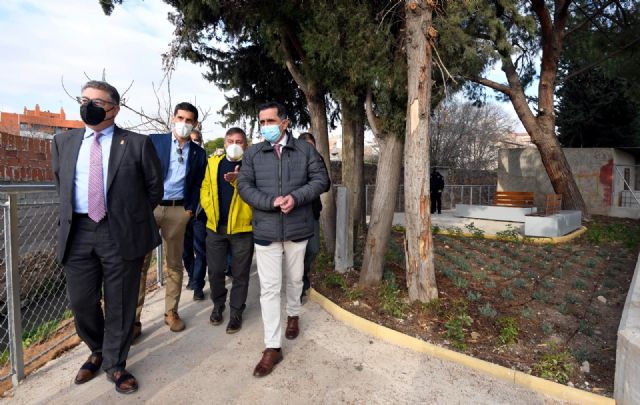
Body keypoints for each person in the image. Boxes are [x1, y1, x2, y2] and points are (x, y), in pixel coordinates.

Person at [52, 80, 163, 394]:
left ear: (114, 108)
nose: (88, 105)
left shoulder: (137, 143)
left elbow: (154, 188)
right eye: (84, 99)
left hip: (120, 232)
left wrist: (129, 216)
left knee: (121, 303)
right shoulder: (63, 142)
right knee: (81, 300)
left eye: (97, 101)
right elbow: (61, 182)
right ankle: (97, 349)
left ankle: (115, 364)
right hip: (79, 232)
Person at [237, 102, 329, 377]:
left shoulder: (305, 150)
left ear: (285, 122)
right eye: (261, 121)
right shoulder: (253, 153)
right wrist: (270, 202)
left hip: (298, 228)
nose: (265, 126)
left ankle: (293, 314)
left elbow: (321, 179)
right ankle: (272, 347)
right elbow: (244, 185)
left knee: (295, 280)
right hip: (266, 231)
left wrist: (296, 198)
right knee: (269, 289)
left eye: (270, 121)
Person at [134, 102, 207, 337]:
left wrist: (189, 211)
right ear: (173, 118)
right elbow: (137, 171)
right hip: (150, 208)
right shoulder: (154, 141)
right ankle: (133, 321)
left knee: (174, 264)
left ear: (194, 123)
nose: (184, 124)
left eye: (189, 120)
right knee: (139, 265)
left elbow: (197, 184)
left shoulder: (198, 153)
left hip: (178, 211)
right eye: (180, 118)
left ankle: (171, 312)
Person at [200, 127, 253, 333]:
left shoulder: (251, 166)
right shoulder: (213, 164)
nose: (234, 145)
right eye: (230, 141)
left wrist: (237, 182)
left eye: (239, 141)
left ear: (245, 145)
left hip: (242, 229)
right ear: (224, 144)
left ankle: (237, 310)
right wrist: (207, 207)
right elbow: (205, 187)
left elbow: (254, 195)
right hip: (215, 228)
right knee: (214, 271)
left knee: (240, 273)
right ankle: (218, 304)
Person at [297, 132, 329, 302]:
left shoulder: (318, 160)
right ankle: (300, 286)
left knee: (313, 249)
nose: (310, 149)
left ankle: (303, 274)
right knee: (298, 253)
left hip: (312, 213)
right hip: (295, 215)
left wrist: (312, 187)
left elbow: (327, 184)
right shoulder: (293, 161)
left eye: (312, 145)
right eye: (306, 146)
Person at [183, 129, 208, 298]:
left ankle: (198, 285)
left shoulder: (205, 161)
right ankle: (192, 276)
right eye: (191, 139)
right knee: (185, 251)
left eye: (196, 140)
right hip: (181, 213)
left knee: (200, 250)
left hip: (199, 214)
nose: (194, 142)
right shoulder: (178, 162)